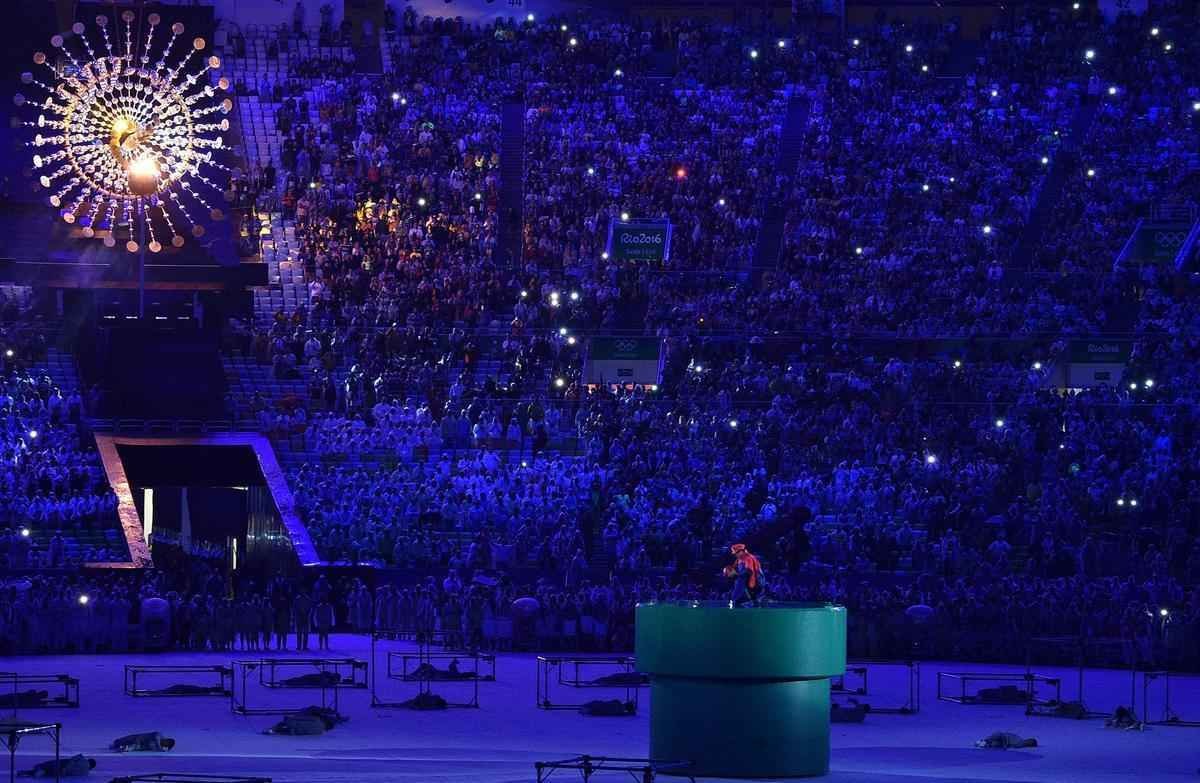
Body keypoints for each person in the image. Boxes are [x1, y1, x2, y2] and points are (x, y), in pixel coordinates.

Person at [18, 754, 95, 777]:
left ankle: (27, 772)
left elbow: (73, 758)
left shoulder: (82, 758)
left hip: (63, 764)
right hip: (63, 773)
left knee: (46, 766)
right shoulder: (85, 773)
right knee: (48, 773)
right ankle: (38, 772)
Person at [109, 732, 175, 752]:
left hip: (137, 744)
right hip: (135, 738)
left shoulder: (155, 745)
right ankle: (119, 746)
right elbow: (156, 740)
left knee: (134, 747)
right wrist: (161, 750)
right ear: (167, 741)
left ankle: (124, 748)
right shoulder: (158, 735)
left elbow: (147, 748)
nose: (164, 746)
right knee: (116, 743)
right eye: (166, 745)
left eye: (165, 746)